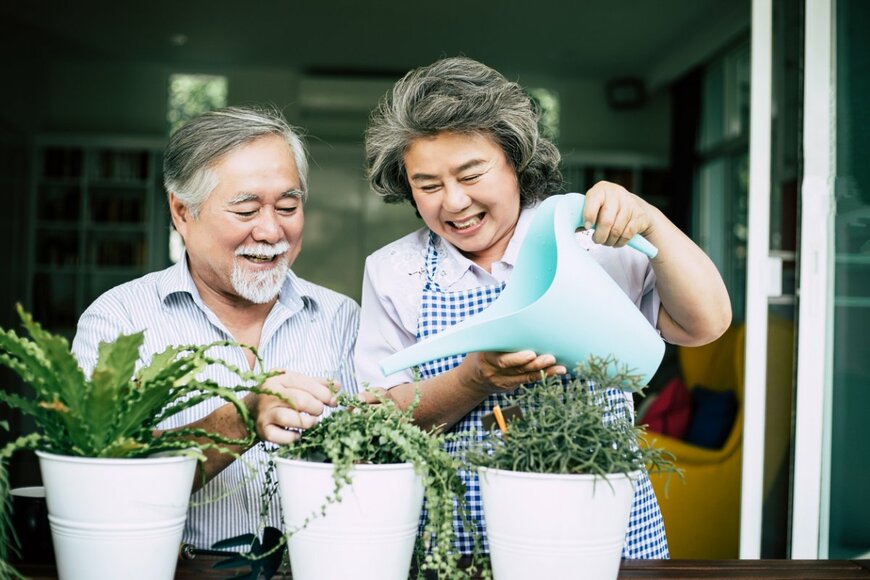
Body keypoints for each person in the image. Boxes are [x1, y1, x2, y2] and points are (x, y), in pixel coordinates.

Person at [355, 56, 732, 558]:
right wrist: (473, 380)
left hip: (600, 531)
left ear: (516, 160)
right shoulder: (392, 271)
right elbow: (377, 418)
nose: (453, 202)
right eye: (428, 185)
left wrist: (652, 223)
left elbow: (704, 324)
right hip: (463, 543)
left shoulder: (591, 240)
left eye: (472, 174)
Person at [71, 106, 360, 549]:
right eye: (246, 210)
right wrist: (241, 417)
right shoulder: (120, 322)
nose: (271, 230)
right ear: (182, 212)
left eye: (288, 205)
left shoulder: (343, 319)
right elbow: (98, 486)